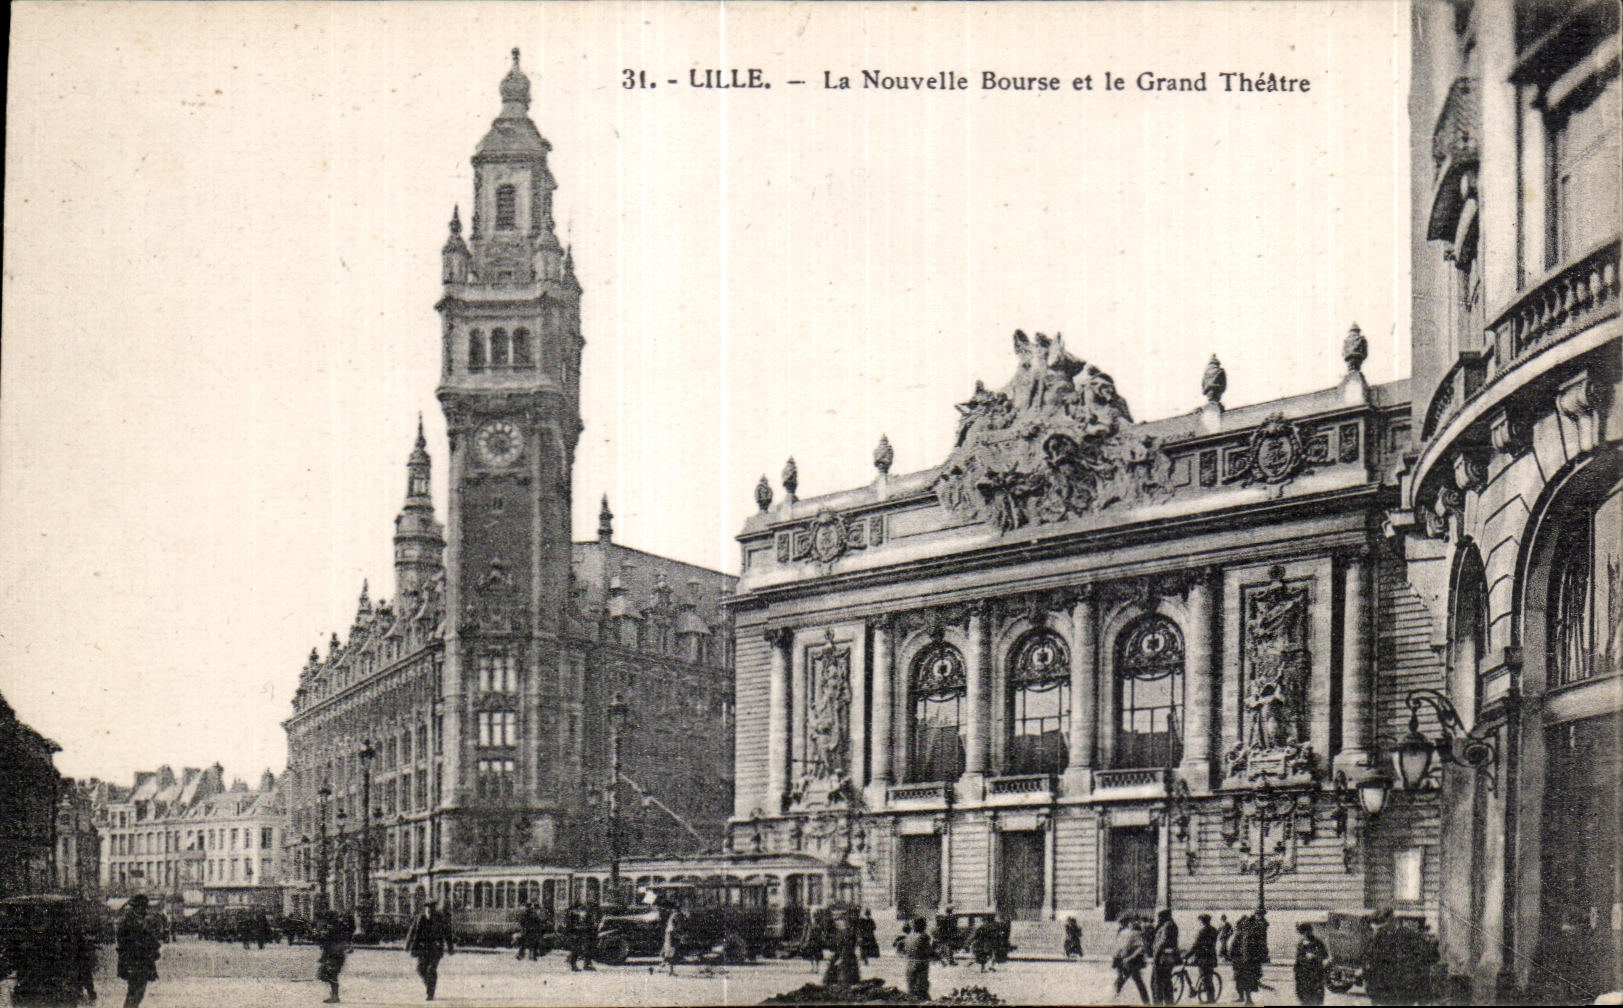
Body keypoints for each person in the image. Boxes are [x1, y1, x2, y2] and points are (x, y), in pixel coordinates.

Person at [115, 894, 162, 1008]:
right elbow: (123, 942)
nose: (144, 909)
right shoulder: (127, 922)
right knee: (134, 992)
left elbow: (152, 938)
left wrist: (154, 947)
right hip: (132, 961)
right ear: (136, 907)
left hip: (144, 962)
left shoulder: (144, 921)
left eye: (145, 907)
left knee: (139, 992)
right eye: (142, 907)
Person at [404, 900, 455, 1001]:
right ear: (425, 909)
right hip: (422, 948)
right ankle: (430, 986)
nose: (430, 912)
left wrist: (450, 948)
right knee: (420, 969)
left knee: (431, 969)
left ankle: (430, 993)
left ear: (434, 909)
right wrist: (407, 945)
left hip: (435, 948)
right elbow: (412, 931)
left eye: (431, 910)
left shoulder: (440, 919)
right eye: (428, 909)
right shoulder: (419, 918)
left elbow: (447, 933)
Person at [1112, 916, 1150, 1003]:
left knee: (1126, 980)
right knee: (1136, 982)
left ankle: (1114, 996)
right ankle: (1146, 1002)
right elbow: (1120, 947)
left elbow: (1140, 948)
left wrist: (1126, 958)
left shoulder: (1131, 933)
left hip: (1129, 962)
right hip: (1128, 961)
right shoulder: (1127, 933)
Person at [315, 911, 349, 1004]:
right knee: (330, 975)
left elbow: (327, 942)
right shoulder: (338, 927)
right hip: (336, 954)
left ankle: (334, 996)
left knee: (330, 975)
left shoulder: (333, 928)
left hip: (334, 954)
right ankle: (334, 995)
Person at [1149, 908, 1181, 1005]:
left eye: (1159, 917)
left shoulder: (1167, 926)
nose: (1158, 919)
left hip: (1162, 959)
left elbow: (1162, 942)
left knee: (1157, 984)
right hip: (1165, 958)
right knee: (1165, 983)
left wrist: (1155, 956)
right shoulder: (1169, 925)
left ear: (1164, 917)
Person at [1293, 921, 1329, 1006]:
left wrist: (1314, 957)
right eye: (1303, 932)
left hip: (1315, 977)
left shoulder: (1318, 943)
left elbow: (1325, 956)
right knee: (1304, 1000)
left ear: (1310, 931)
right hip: (1303, 978)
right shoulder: (1300, 944)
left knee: (1315, 1000)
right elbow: (1298, 960)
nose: (1305, 934)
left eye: (1306, 931)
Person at [1230, 913, 1262, 1006]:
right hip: (1241, 960)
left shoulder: (1247, 935)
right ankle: (1243, 997)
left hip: (1244, 961)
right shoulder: (1243, 934)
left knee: (1245, 980)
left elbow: (1248, 948)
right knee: (1240, 979)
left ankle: (1248, 999)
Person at [822, 911, 861, 988]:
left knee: (844, 977)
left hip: (846, 957)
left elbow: (848, 947)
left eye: (839, 922)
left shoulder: (847, 934)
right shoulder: (839, 933)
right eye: (836, 922)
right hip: (839, 956)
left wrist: (841, 958)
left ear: (844, 923)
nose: (837, 924)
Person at [901, 915, 934, 1001]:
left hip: (909, 964)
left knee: (911, 990)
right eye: (924, 925)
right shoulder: (923, 937)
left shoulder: (908, 937)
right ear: (922, 926)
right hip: (921, 964)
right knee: (921, 991)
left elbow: (905, 950)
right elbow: (929, 951)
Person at [1187, 912, 1218, 1000]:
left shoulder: (1202, 931)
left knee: (1205, 977)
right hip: (1211, 956)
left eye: (1200, 921)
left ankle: (1210, 999)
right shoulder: (1214, 930)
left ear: (1202, 921)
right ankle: (1210, 997)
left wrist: (1187, 955)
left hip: (1203, 957)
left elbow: (1196, 945)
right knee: (1209, 978)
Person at [564, 901, 596, 972]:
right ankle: (574, 965)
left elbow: (590, 922)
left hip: (584, 932)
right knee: (577, 949)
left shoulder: (586, 913)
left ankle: (586, 964)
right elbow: (569, 924)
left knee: (587, 948)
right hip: (577, 933)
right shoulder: (572, 913)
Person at [660, 908, 684, 976]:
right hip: (671, 939)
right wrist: (680, 937)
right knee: (671, 955)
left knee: (670, 955)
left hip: (670, 938)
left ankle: (668, 968)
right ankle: (666, 967)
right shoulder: (675, 917)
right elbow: (673, 931)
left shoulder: (673, 916)